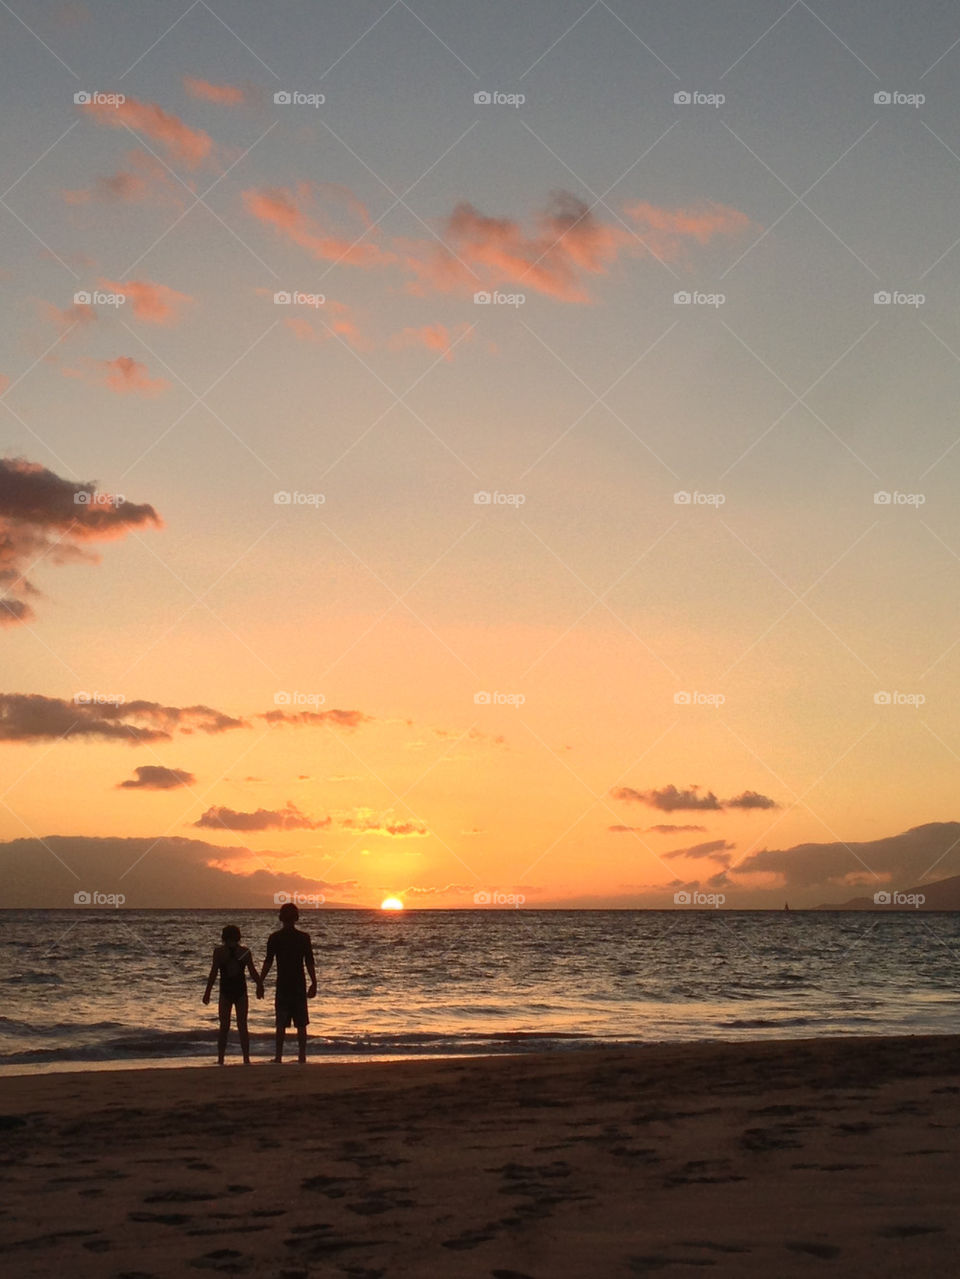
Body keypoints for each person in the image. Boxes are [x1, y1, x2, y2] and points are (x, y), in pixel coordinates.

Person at [259, 902, 316, 1063]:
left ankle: (278, 1056)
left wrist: (260, 981)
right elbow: (309, 962)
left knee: (281, 1023)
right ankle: (302, 1055)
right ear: (296, 918)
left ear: (281, 918)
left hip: (284, 984)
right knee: (301, 1023)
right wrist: (314, 982)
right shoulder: (303, 938)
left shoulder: (275, 938)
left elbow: (268, 962)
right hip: (298, 983)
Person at [203, 924, 263, 1064]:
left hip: (226, 991)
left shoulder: (219, 952)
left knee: (224, 1026)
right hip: (240, 991)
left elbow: (213, 973)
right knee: (242, 1025)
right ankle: (246, 1059)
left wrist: (208, 992)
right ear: (238, 937)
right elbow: (253, 972)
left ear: (223, 937)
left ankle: (221, 1059)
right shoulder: (244, 952)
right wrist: (259, 985)